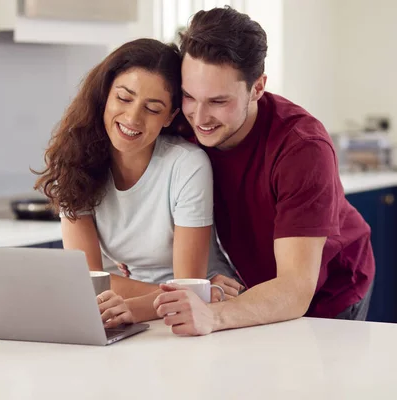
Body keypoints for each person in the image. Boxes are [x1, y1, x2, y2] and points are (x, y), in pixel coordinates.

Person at [154, 7, 376, 336]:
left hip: (329, 290)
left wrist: (213, 316)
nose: (199, 116)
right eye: (189, 96)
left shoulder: (303, 148)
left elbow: (296, 288)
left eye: (218, 101)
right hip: (257, 288)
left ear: (257, 88)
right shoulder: (185, 123)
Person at [33, 38, 241, 329]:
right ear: (105, 94)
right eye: (124, 98)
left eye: (152, 109)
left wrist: (185, 297)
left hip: (205, 318)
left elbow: (187, 288)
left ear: (170, 117)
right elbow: (88, 280)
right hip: (161, 308)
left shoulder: (187, 166)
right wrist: (198, 294)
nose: (132, 118)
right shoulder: (74, 163)